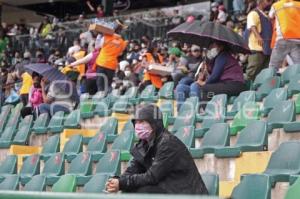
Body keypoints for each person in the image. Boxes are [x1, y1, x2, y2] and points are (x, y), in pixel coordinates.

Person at [106, 104, 208, 194]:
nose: (138, 126)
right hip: (167, 189)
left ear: (154, 123)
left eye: (142, 121)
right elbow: (133, 169)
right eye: (136, 122)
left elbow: (152, 176)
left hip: (185, 192)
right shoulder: (144, 144)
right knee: (128, 190)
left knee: (143, 191)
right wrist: (118, 181)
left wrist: (123, 182)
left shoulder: (168, 143)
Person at [176, 41, 246, 111]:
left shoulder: (223, 56)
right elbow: (211, 76)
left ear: (221, 47)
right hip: (225, 84)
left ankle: (202, 113)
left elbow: (215, 76)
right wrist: (202, 76)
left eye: (213, 46)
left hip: (234, 85)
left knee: (204, 88)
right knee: (181, 87)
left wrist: (204, 83)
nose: (210, 49)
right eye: (210, 47)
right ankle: (182, 112)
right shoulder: (214, 59)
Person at [95, 19, 127, 93]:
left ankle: (101, 101)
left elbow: (97, 47)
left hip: (102, 63)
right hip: (112, 65)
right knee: (108, 84)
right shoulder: (121, 41)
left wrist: (100, 34)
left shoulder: (106, 37)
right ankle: (108, 100)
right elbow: (120, 53)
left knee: (100, 84)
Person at [244, 0, 273, 81]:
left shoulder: (264, 14)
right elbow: (252, 26)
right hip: (256, 48)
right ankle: (246, 91)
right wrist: (258, 37)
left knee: (263, 73)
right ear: (261, 1)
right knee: (252, 73)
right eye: (267, 1)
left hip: (266, 48)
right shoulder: (253, 13)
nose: (269, 3)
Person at [268, 0, 300, 71]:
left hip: (283, 38)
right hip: (297, 39)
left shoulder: (276, 5)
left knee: (273, 66)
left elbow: (270, 16)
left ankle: (271, 80)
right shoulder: (298, 5)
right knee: (298, 65)